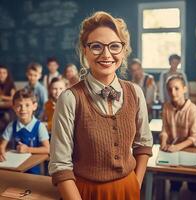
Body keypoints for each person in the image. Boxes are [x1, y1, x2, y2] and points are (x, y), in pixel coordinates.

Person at [49, 11, 153, 200]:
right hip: (84, 193)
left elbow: (143, 145)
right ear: (84, 50)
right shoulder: (70, 98)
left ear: (124, 50)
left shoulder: (136, 92)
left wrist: (135, 184)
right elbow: (60, 166)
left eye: (114, 46)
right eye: (96, 46)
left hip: (128, 189)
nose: (106, 54)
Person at [160, 74, 196, 197]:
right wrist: (163, 144)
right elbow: (165, 130)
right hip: (173, 152)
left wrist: (177, 147)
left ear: (185, 89)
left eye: (177, 88)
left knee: (194, 186)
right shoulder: (166, 106)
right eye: (170, 89)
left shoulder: (192, 108)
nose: (173, 92)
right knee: (174, 183)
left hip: (191, 151)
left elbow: (195, 136)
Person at [0, 89, 49, 174]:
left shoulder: (40, 126)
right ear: (14, 107)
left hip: (33, 171)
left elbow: (47, 149)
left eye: (27, 105)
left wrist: (27, 149)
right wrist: (1, 152)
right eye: (19, 105)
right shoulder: (12, 125)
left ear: (34, 106)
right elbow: (2, 145)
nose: (23, 109)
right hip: (14, 169)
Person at [0, 65, 16, 134]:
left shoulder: (11, 84)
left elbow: (13, 97)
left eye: (4, 73)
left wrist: (2, 97)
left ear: (7, 74)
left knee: (9, 116)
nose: (2, 75)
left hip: (8, 108)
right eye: (0, 73)